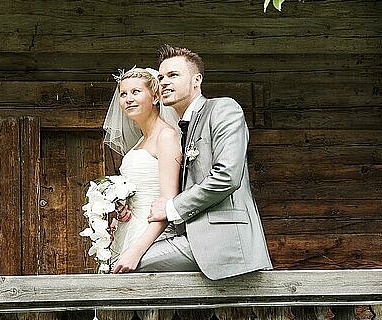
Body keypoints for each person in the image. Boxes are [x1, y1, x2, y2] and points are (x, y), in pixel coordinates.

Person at [132, 44, 273, 280]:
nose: (164, 82)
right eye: (161, 77)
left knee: (127, 263)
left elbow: (227, 176)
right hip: (186, 237)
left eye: (173, 75)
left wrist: (170, 208)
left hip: (222, 241)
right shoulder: (178, 130)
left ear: (196, 80)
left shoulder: (223, 109)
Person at [102, 67, 182, 274]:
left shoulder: (166, 136)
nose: (128, 99)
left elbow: (167, 203)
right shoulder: (140, 142)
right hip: (129, 229)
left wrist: (136, 251)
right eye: (123, 94)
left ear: (155, 96)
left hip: (150, 234)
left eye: (136, 92)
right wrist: (122, 206)